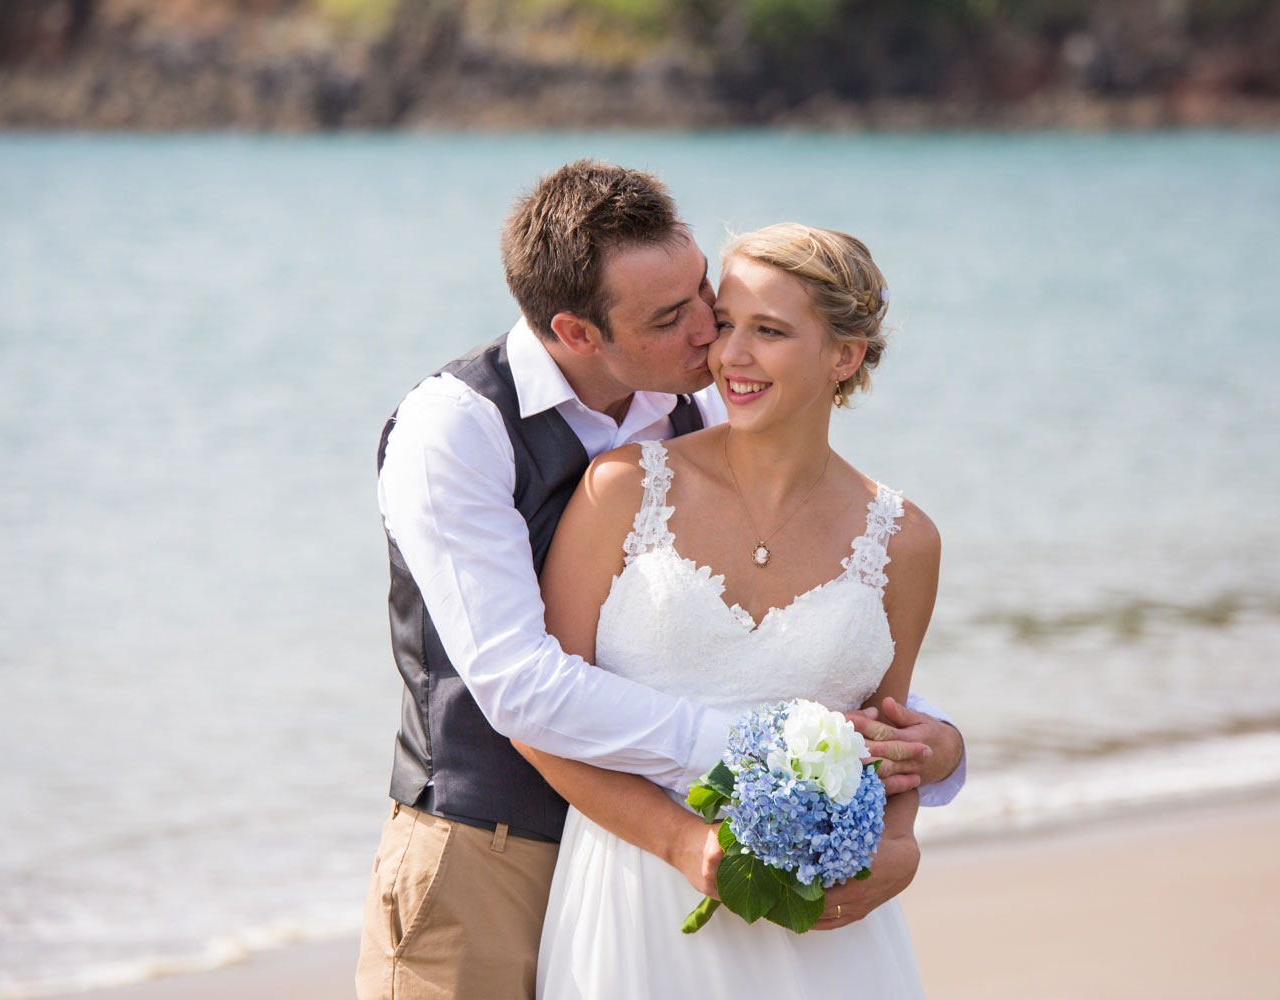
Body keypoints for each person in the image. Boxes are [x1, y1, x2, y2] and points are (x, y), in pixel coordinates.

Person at [357, 161, 965, 1000]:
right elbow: (518, 686)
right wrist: (758, 755)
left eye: (703, 293)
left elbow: (806, 637)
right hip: (483, 850)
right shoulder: (454, 428)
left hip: (704, 860)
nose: (713, 335)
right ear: (577, 333)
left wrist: (933, 746)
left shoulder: (703, 403)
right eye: (676, 316)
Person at [519, 223, 936, 997]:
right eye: (726, 323)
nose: (729, 355)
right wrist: (682, 845)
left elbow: (891, 744)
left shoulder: (904, 540)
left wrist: (900, 851)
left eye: (769, 332)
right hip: (634, 901)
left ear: (843, 356)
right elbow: (540, 723)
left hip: (823, 932)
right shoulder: (621, 490)